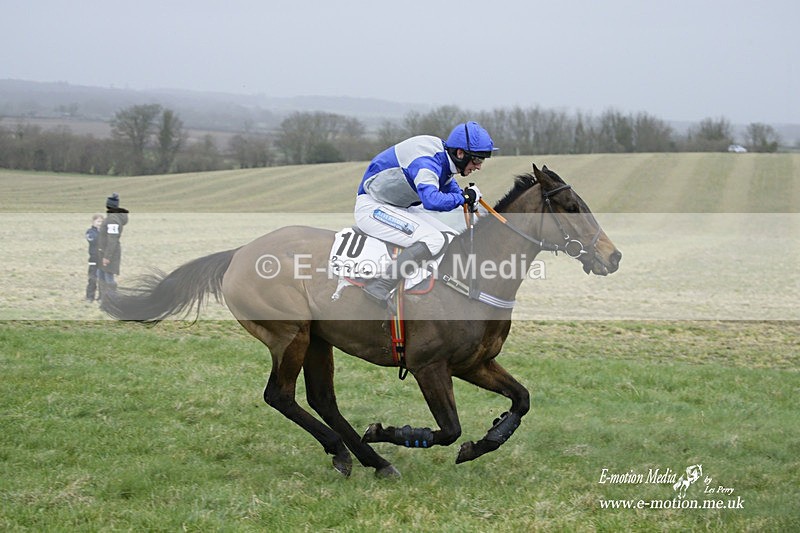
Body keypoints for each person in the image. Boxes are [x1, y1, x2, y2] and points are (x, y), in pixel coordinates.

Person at [354, 121, 497, 303]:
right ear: (460, 153)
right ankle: (380, 285)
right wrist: (463, 198)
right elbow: (432, 200)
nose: (479, 166)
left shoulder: (445, 160)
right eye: (477, 159)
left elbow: (453, 193)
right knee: (434, 239)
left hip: (397, 205)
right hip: (372, 207)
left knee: (452, 237)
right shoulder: (427, 162)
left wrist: (466, 198)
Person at [96, 193, 129, 300]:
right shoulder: (113, 217)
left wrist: (107, 256)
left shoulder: (112, 219)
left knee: (108, 277)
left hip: (109, 252)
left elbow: (112, 239)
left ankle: (112, 299)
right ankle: (102, 298)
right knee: (101, 275)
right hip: (104, 251)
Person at [84, 214, 104, 302]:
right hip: (93, 259)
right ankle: (90, 297)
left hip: (102, 259)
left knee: (102, 279)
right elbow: (92, 240)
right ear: (93, 222)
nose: (100, 223)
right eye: (98, 221)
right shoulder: (90, 232)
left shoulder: (105, 232)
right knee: (92, 279)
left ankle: (101, 297)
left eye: (101, 222)